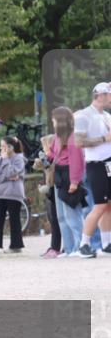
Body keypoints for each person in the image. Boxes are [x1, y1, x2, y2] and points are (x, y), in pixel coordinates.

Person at [73, 82, 111, 257]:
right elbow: (79, 142)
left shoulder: (107, 115)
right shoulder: (84, 115)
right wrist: (104, 138)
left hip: (109, 163)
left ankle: (106, 243)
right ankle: (84, 244)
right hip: (97, 165)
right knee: (99, 205)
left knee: (108, 206)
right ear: (101, 95)